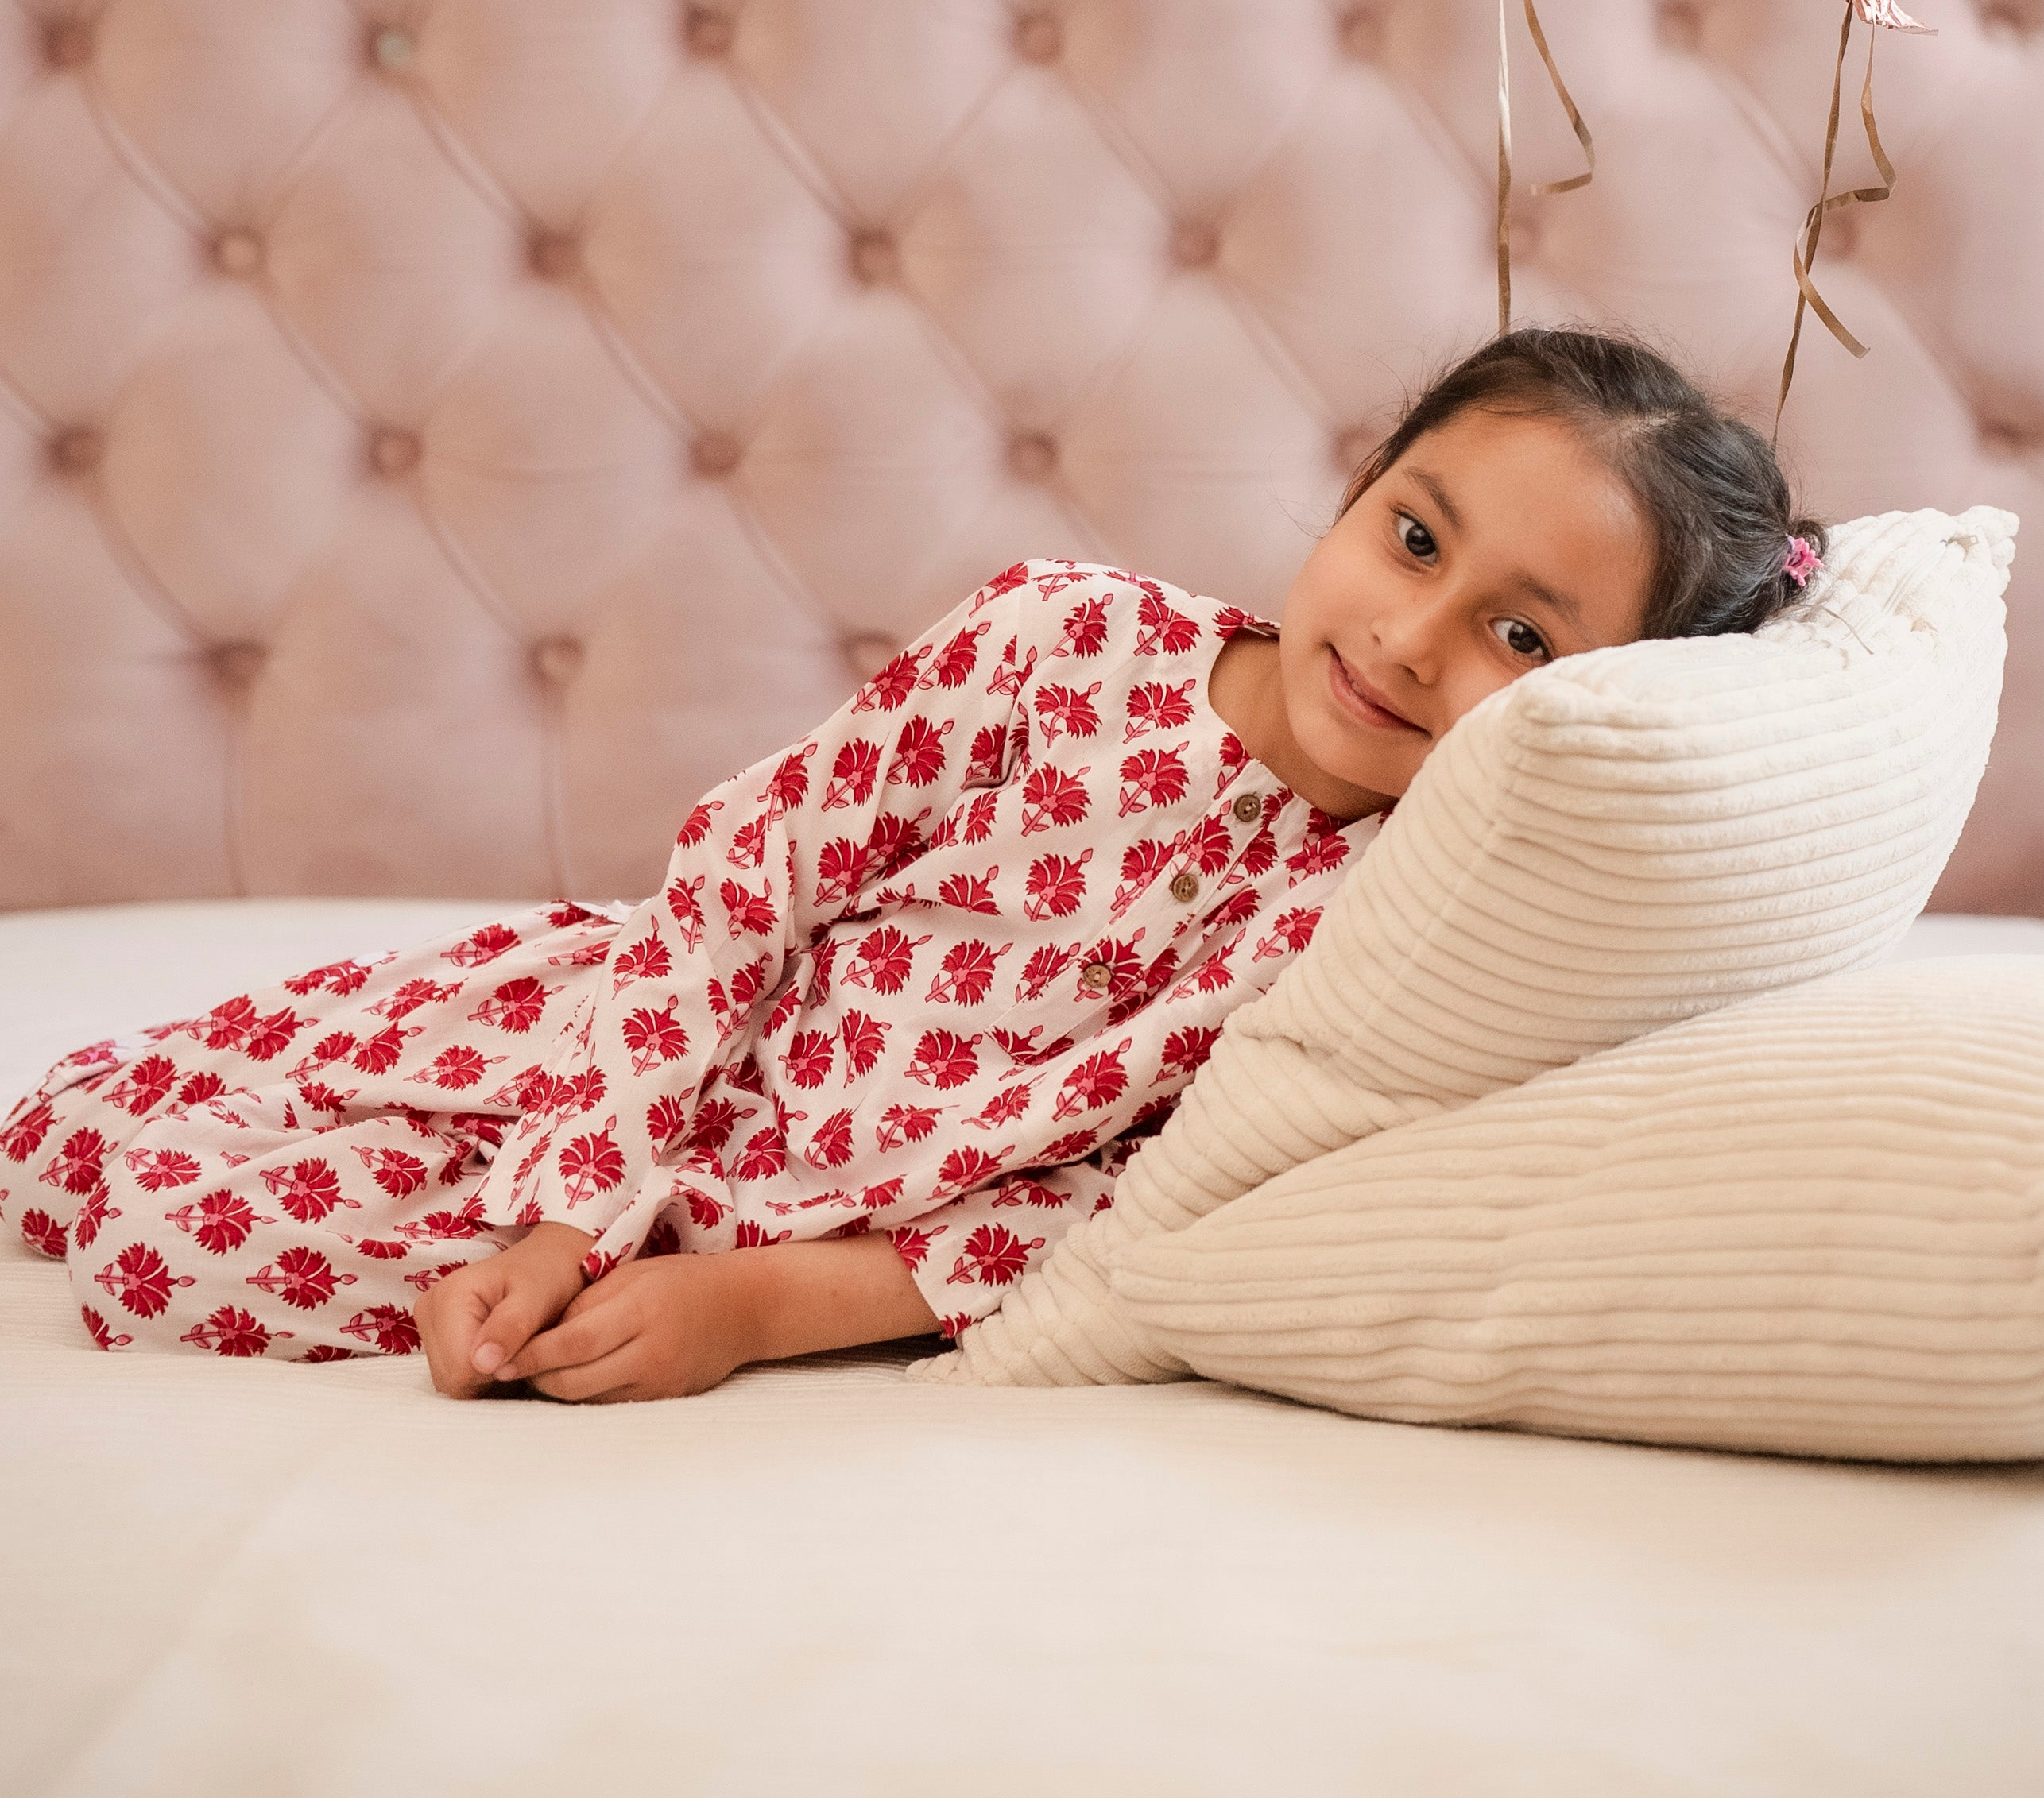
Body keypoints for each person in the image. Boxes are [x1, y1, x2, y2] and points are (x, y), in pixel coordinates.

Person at [0, 327, 1828, 1403]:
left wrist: (757, 1306)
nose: (1415, 637)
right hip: (639, 1037)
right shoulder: (1065, 639)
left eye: (1522, 640)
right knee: (90, 1108)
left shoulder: (1385, 922)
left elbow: (1133, 1194)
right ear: (1353, 492)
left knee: (168, 1247)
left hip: (778, 1220)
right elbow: (752, 876)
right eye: (1410, 535)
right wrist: (578, 1185)